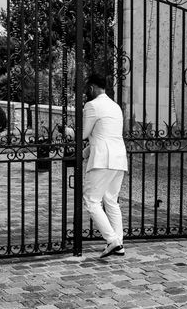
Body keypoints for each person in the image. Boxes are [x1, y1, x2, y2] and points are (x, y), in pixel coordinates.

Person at [81, 73, 128, 258]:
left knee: (91, 200)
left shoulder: (92, 105)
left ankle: (112, 240)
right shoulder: (115, 106)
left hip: (103, 159)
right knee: (111, 201)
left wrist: (69, 131)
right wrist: (83, 153)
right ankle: (119, 243)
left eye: (87, 88)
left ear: (92, 88)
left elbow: (84, 134)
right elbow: (101, 135)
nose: (86, 92)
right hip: (119, 158)